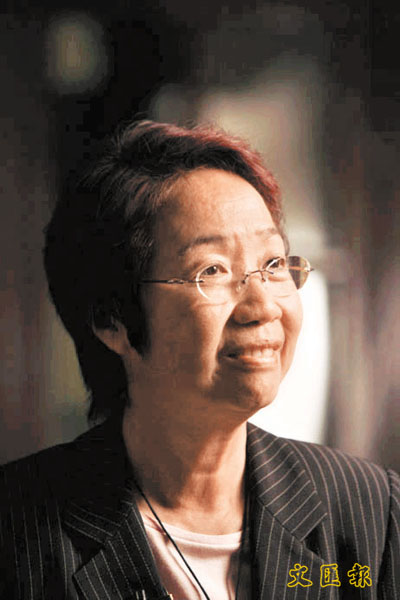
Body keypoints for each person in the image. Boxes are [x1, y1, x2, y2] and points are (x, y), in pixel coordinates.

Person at [0, 120, 398, 600]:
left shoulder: (371, 515)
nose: (263, 307)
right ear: (112, 320)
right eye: (212, 270)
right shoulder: (18, 533)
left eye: (273, 264)